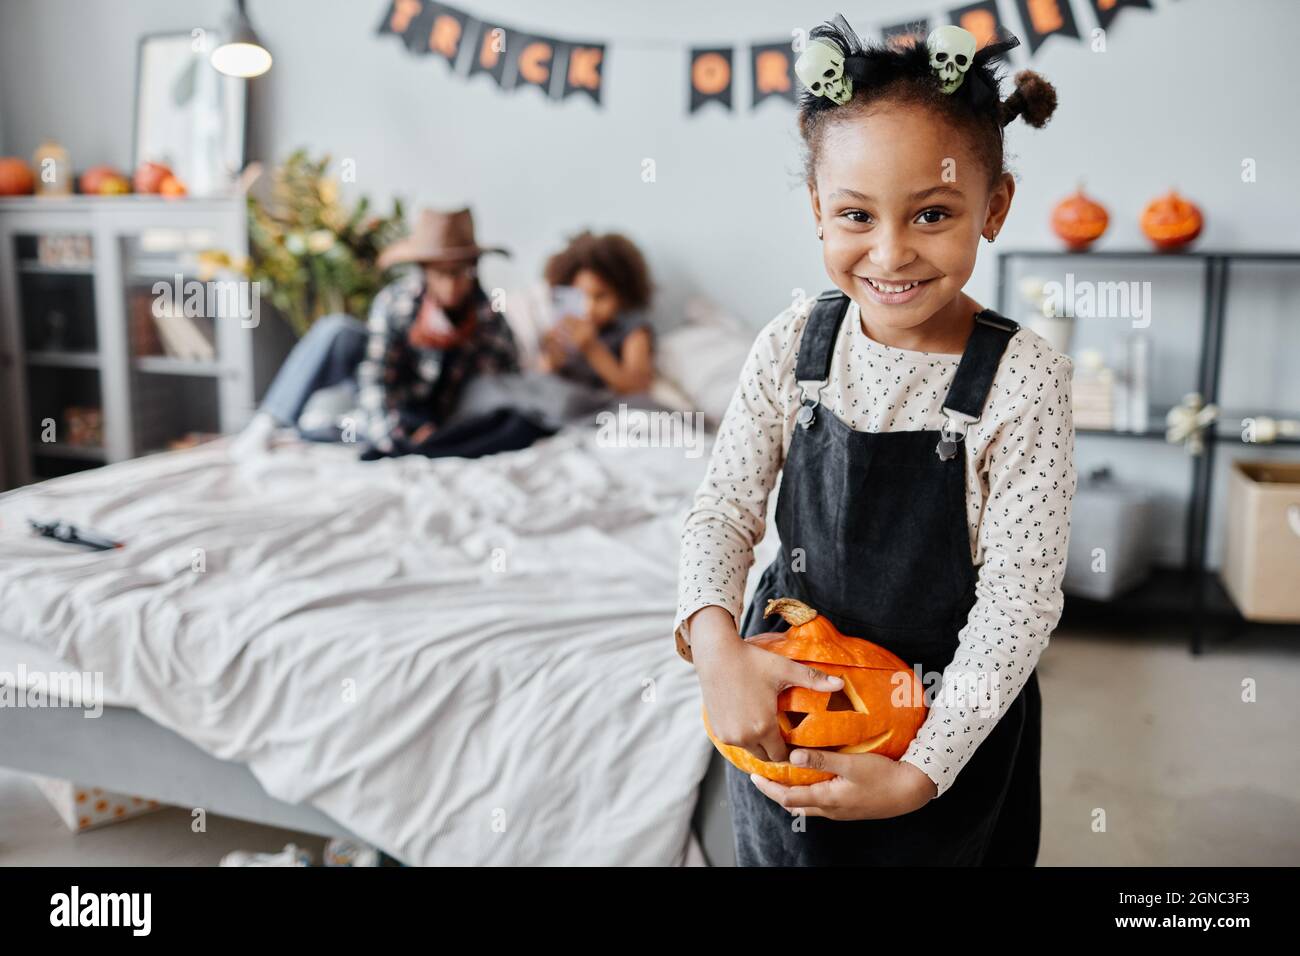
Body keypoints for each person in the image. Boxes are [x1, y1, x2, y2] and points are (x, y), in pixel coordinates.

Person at [674, 17, 1076, 866]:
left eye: (933, 213)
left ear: (994, 206)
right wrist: (716, 648)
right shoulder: (792, 347)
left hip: (945, 731)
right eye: (856, 214)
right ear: (819, 210)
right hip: (799, 708)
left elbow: (1020, 602)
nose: (892, 253)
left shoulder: (1025, 379)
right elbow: (722, 512)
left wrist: (921, 773)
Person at [232, 207, 519, 457]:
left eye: (460, 273)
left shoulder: (489, 318)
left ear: (474, 270)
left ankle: (340, 427)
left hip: (439, 415)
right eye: (442, 274)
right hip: (391, 400)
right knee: (338, 330)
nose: (452, 284)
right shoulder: (396, 303)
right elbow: (375, 375)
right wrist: (393, 436)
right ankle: (268, 423)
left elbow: (502, 387)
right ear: (425, 271)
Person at [538, 231, 654, 395]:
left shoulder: (633, 330)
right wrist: (553, 355)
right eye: (580, 296)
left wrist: (592, 348)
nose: (589, 307)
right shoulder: (568, 326)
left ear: (622, 295)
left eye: (600, 296)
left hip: (594, 406)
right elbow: (544, 373)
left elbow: (637, 387)